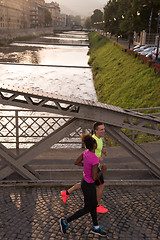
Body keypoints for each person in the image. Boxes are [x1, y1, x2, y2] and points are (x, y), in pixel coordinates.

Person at [60, 134, 107, 237]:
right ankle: (65, 221)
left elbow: (76, 162)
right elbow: (95, 178)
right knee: (87, 208)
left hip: (84, 181)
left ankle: (96, 227)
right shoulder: (94, 158)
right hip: (89, 185)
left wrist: (86, 165)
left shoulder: (85, 153)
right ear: (94, 145)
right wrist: (102, 171)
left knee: (93, 204)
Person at [61, 122, 108, 213]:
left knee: (85, 183)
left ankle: (66, 193)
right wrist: (98, 159)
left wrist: (103, 151)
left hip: (93, 165)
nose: (103, 131)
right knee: (101, 185)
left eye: (104, 129)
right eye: (101, 129)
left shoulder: (99, 139)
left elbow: (97, 149)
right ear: (96, 131)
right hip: (95, 166)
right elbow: (90, 152)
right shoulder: (93, 140)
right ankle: (97, 206)